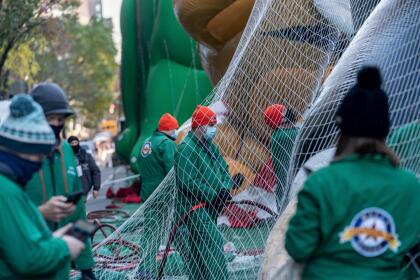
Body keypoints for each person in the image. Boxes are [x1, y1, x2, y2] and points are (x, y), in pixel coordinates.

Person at [285, 66, 420, 279]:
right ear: (384, 129)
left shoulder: (320, 182)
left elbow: (298, 247)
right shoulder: (412, 187)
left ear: (342, 128)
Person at [0, 94, 85, 279]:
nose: (39, 164)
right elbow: (29, 259)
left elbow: (18, 237)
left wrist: (52, 240)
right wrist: (64, 247)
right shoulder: (6, 190)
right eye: (38, 157)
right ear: (21, 149)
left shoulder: (11, 185)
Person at [25, 83, 96, 280]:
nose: (56, 124)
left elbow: (79, 212)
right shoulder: (18, 158)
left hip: (60, 268)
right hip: (27, 265)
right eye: (50, 119)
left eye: (60, 119)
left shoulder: (66, 151)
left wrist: (86, 266)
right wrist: (39, 213)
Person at [174, 105, 232, 280]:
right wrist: (213, 194)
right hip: (194, 208)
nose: (213, 129)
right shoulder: (186, 148)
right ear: (200, 126)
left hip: (210, 206)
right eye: (211, 125)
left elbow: (223, 167)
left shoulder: (209, 146)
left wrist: (224, 188)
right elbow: (187, 181)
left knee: (199, 250)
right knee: (212, 245)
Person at [137, 113, 179, 201]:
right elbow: (171, 170)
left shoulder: (146, 142)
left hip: (146, 191)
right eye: (176, 128)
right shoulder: (166, 143)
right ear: (170, 129)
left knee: (149, 214)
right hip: (162, 192)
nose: (176, 131)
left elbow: (139, 165)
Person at [264, 104, 298, 205]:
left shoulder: (280, 134)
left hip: (286, 187)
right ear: (280, 120)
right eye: (283, 111)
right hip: (288, 189)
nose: (288, 111)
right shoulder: (285, 136)